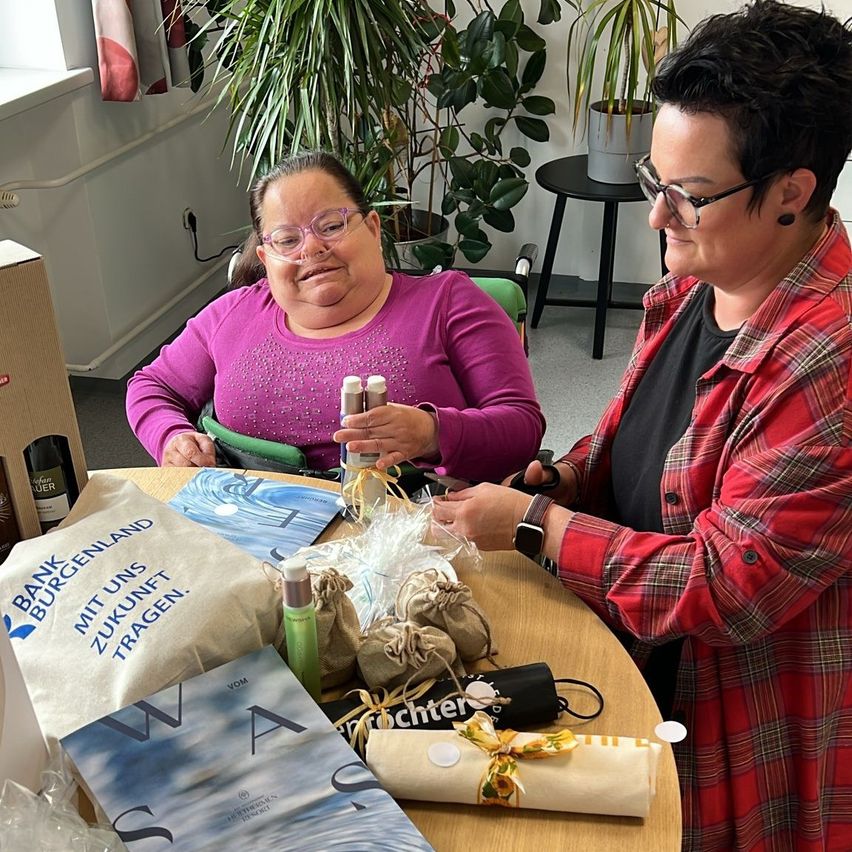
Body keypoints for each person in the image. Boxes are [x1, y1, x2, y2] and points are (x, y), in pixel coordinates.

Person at [432, 2, 852, 848]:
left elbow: (722, 586)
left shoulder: (828, 363)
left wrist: (539, 525)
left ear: (791, 193)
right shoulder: (695, 285)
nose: (656, 217)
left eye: (688, 197)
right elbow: (640, 439)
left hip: (729, 712)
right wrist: (571, 478)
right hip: (628, 644)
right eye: (655, 182)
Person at [126, 152, 544, 482]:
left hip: (414, 541)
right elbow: (151, 386)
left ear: (374, 228)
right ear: (265, 259)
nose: (311, 249)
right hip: (249, 533)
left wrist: (432, 434)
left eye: (330, 226)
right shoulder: (232, 314)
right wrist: (171, 437)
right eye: (287, 240)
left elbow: (522, 430)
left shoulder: (448, 302)